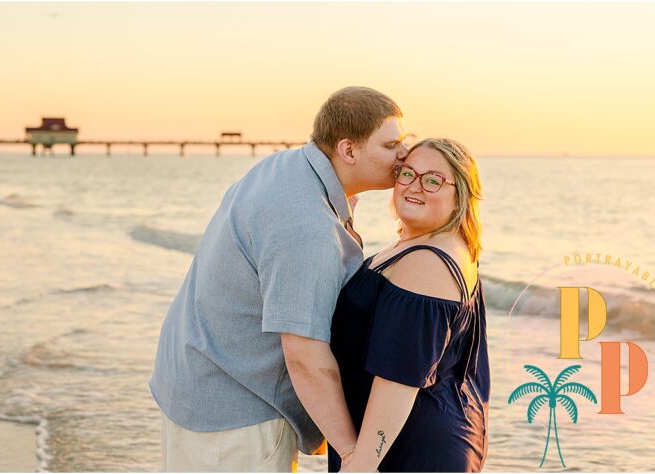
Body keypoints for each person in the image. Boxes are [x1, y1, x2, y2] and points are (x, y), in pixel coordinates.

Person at [150, 86, 409, 471]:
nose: (404, 153)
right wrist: (353, 455)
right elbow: (304, 353)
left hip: (193, 381)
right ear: (348, 150)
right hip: (235, 417)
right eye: (391, 145)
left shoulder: (286, 167)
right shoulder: (307, 225)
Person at [328, 138, 488, 472]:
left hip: (407, 451)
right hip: (423, 437)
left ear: (460, 195)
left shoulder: (427, 264)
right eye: (407, 173)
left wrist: (361, 465)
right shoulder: (431, 245)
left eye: (432, 180)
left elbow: (398, 382)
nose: (414, 186)